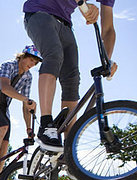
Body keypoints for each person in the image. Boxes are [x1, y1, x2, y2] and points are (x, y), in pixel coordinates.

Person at [23, 0, 116, 152]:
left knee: (72, 78)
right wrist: (84, 6)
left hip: (65, 23)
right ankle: (46, 125)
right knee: (53, 56)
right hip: (39, 12)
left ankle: (69, 147)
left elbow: (108, 29)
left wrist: (107, 60)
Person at [0, 45, 40, 178]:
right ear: (23, 56)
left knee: (5, 143)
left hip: (3, 107)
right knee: (2, 126)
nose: (32, 65)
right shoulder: (7, 65)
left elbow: (25, 105)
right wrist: (27, 100)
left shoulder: (28, 77)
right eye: (31, 60)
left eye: (35, 63)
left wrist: (28, 128)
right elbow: (5, 88)